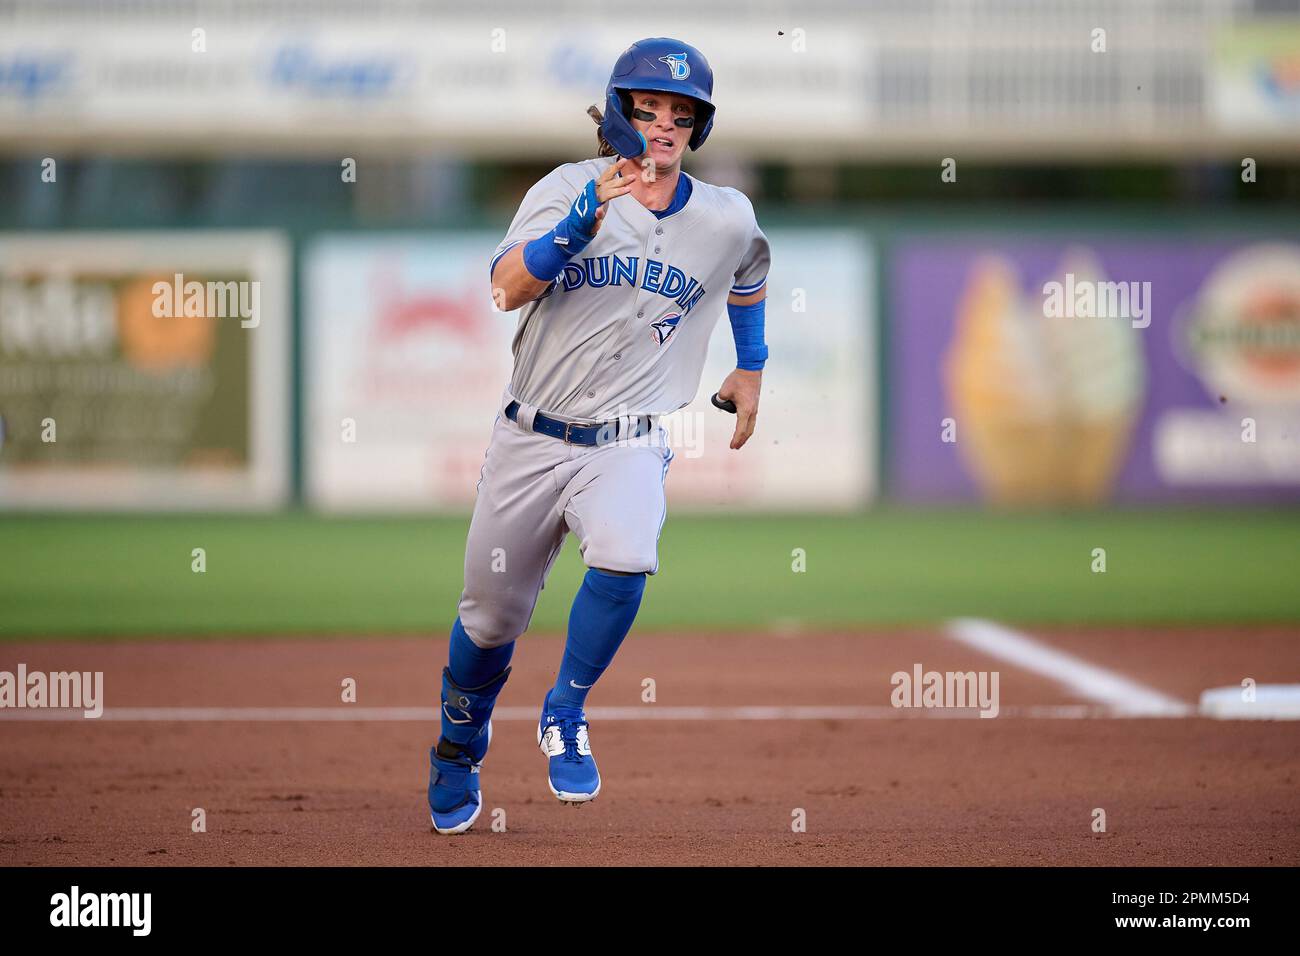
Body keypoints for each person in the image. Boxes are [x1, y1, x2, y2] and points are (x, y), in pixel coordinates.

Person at [428, 37, 770, 834]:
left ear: (698, 129)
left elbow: (751, 270)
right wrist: (576, 227)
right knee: (489, 619)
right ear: (619, 114)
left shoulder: (723, 217)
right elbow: (506, 287)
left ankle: (565, 710)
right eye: (648, 109)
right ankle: (457, 742)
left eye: (681, 115)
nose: (664, 125)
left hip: (627, 437)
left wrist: (750, 365)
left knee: (627, 553)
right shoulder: (565, 188)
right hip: (528, 436)